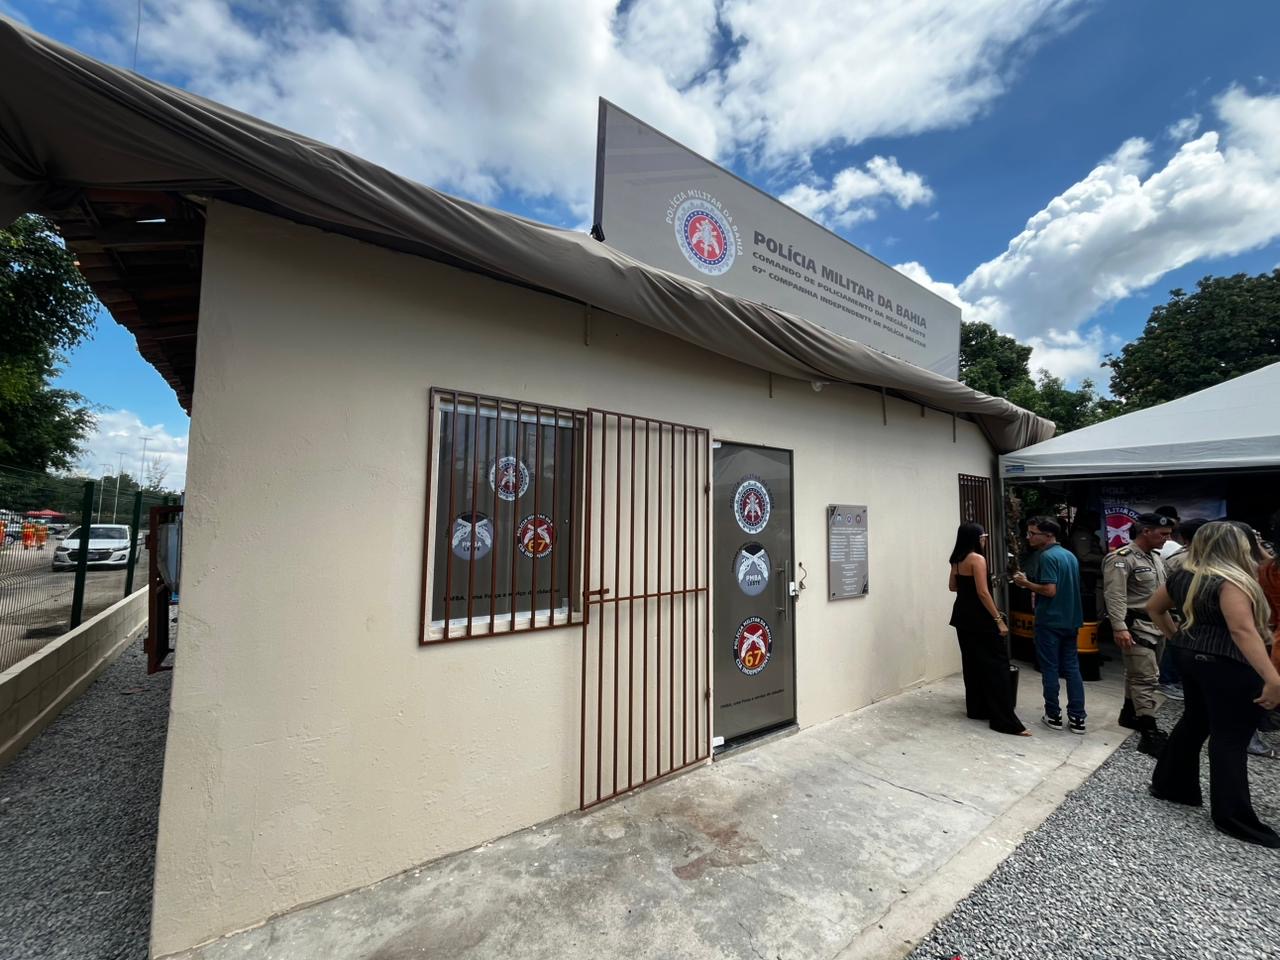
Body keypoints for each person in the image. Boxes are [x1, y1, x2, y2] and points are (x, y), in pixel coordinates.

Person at [1147, 521, 1280, 848]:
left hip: (1189, 655)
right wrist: (1272, 677)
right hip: (1227, 661)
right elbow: (1242, 631)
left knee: (1195, 721)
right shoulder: (1231, 581)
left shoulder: (1184, 574)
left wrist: (1177, 638)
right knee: (1230, 736)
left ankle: (1171, 785)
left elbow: (1154, 607)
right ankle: (1232, 817)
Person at [948, 523, 1029, 737]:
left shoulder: (957, 559)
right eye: (983, 536)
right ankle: (1004, 720)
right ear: (976, 538)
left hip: (962, 616)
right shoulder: (978, 559)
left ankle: (977, 708)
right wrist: (998, 620)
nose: (984, 539)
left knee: (972, 663)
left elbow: (952, 586)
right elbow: (983, 592)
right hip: (979, 617)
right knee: (996, 665)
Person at [1103, 512, 1174, 755]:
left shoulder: (1155, 558)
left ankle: (1129, 713)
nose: (1167, 538)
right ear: (1146, 531)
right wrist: (1119, 626)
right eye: (1163, 534)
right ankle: (1149, 732)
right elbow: (1115, 595)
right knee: (1146, 679)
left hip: (1158, 626)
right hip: (1136, 627)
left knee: (1136, 675)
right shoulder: (1121, 558)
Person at [1012, 517, 1086, 733]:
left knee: (1050, 668)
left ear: (1048, 535)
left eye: (1033, 533)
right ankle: (1077, 717)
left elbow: (1049, 590)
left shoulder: (1046, 557)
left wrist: (1026, 583)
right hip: (1070, 619)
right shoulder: (1069, 556)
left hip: (1050, 620)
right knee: (1072, 669)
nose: (1029, 537)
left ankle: (1053, 714)